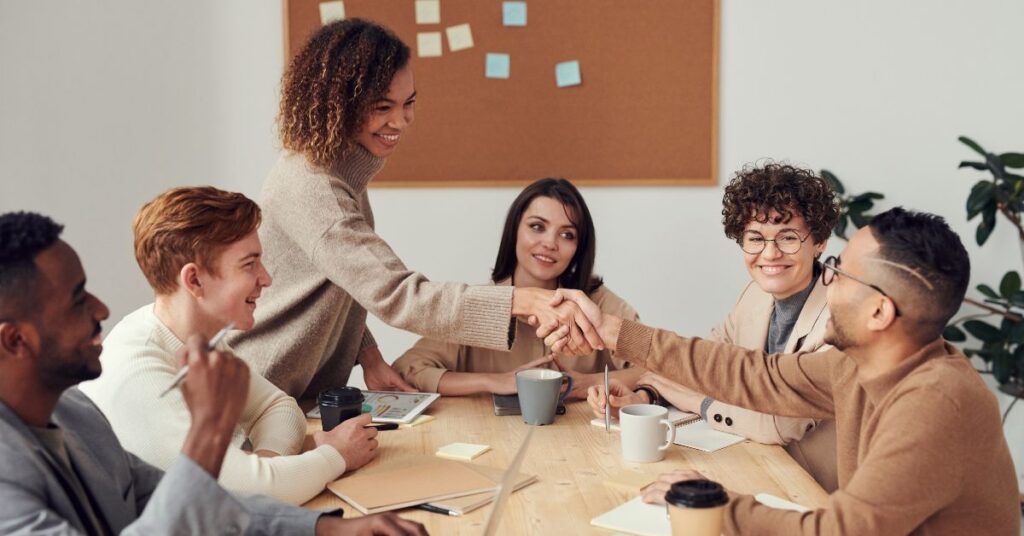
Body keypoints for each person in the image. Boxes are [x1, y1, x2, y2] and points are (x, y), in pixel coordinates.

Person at [546, 208, 1020, 534]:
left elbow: (841, 531)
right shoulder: (859, 365)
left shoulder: (936, 402)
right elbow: (755, 375)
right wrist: (614, 332)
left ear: (879, 312)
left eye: (837, 270)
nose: (825, 280)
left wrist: (715, 503)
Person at [228, 19, 601, 400]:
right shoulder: (316, 188)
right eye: (382, 107)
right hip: (258, 393)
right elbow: (398, 294)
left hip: (294, 395)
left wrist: (368, 355)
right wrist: (519, 300)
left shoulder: (338, 172)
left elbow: (346, 281)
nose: (400, 121)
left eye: (409, 104)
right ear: (339, 104)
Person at [0, 211, 427, 535]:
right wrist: (209, 431)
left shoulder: (75, 413)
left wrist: (328, 528)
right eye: (77, 301)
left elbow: (198, 501)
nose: (102, 309)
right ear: (15, 340)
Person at [79, 187, 376, 506]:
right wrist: (335, 456)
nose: (266, 279)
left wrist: (265, 467)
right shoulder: (139, 372)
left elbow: (278, 407)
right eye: (249, 265)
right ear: (193, 281)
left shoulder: (195, 337)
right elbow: (240, 496)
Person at [587, 163, 840, 491]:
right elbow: (702, 365)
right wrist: (645, 395)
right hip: (755, 468)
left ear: (819, 242)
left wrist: (700, 402)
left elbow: (779, 424)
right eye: (755, 238)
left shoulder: (839, 318)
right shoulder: (754, 296)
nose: (770, 253)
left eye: (788, 237)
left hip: (815, 491)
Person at [393, 178, 641, 397]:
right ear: (514, 231)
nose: (550, 243)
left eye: (567, 235)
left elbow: (661, 369)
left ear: (579, 248)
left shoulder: (598, 303)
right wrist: (494, 381)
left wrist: (591, 382)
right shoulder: (479, 305)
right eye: (537, 227)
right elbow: (407, 370)